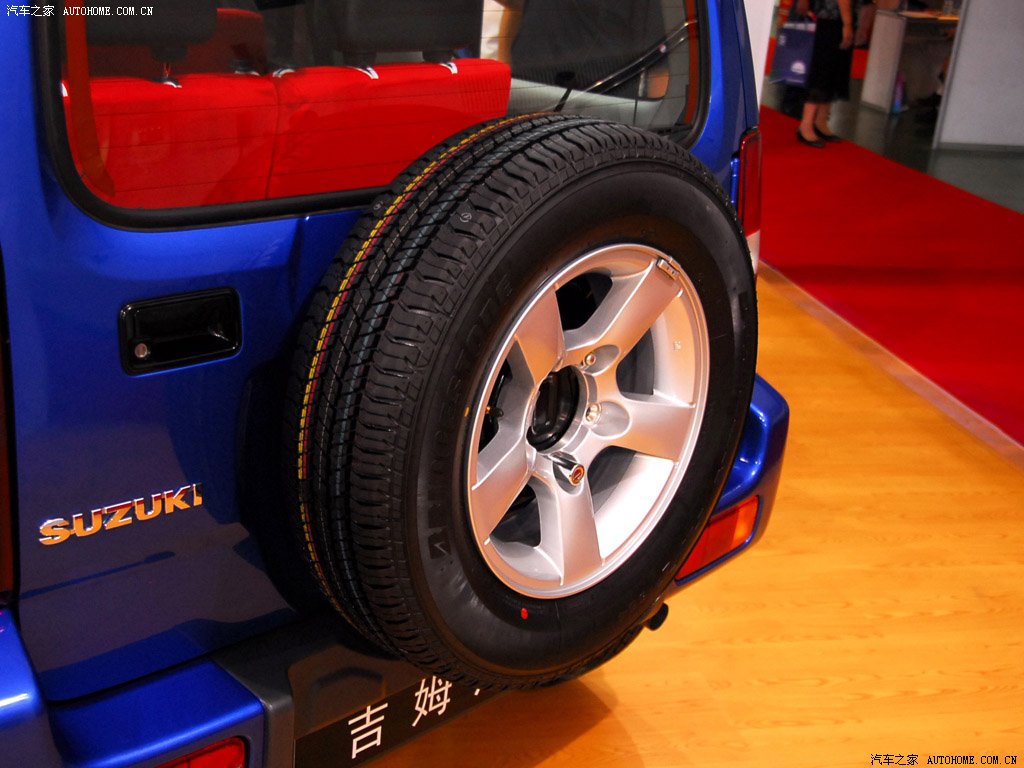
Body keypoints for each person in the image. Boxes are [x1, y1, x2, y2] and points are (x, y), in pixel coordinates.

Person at [796, 0, 854, 147]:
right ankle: (807, 124)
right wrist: (847, 24)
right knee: (823, 72)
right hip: (830, 19)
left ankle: (819, 121)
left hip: (830, 18)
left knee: (830, 71)